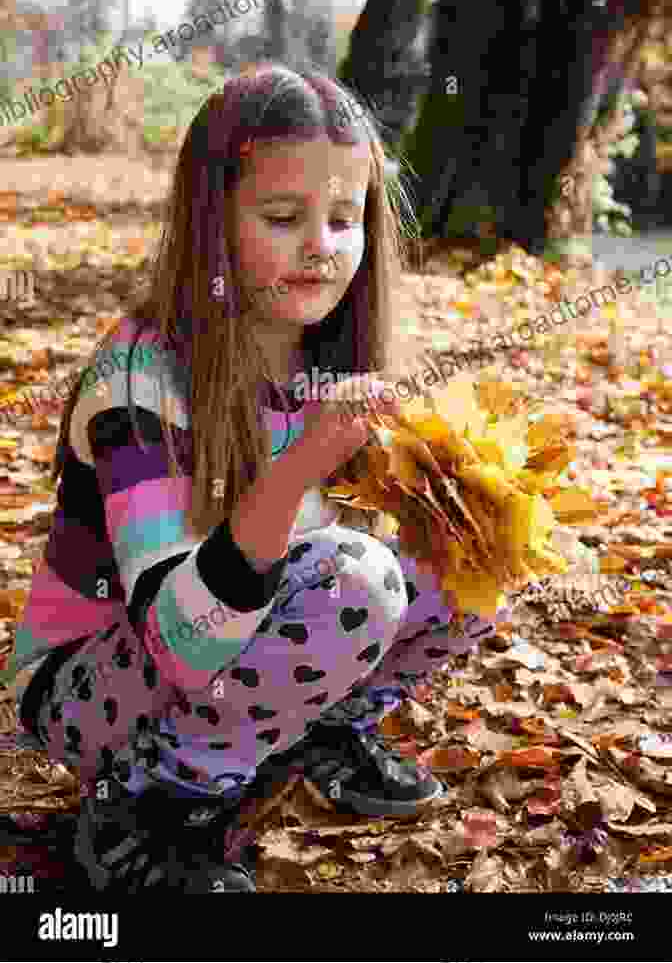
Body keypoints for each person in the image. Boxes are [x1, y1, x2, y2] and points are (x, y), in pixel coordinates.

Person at [4, 64, 505, 893]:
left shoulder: (323, 353)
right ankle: (150, 807)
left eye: (346, 218)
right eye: (284, 216)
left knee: (470, 555)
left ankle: (314, 734)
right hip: (94, 687)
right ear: (212, 223)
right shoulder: (141, 376)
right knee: (356, 579)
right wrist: (296, 468)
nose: (323, 244)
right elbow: (176, 637)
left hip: (245, 628)